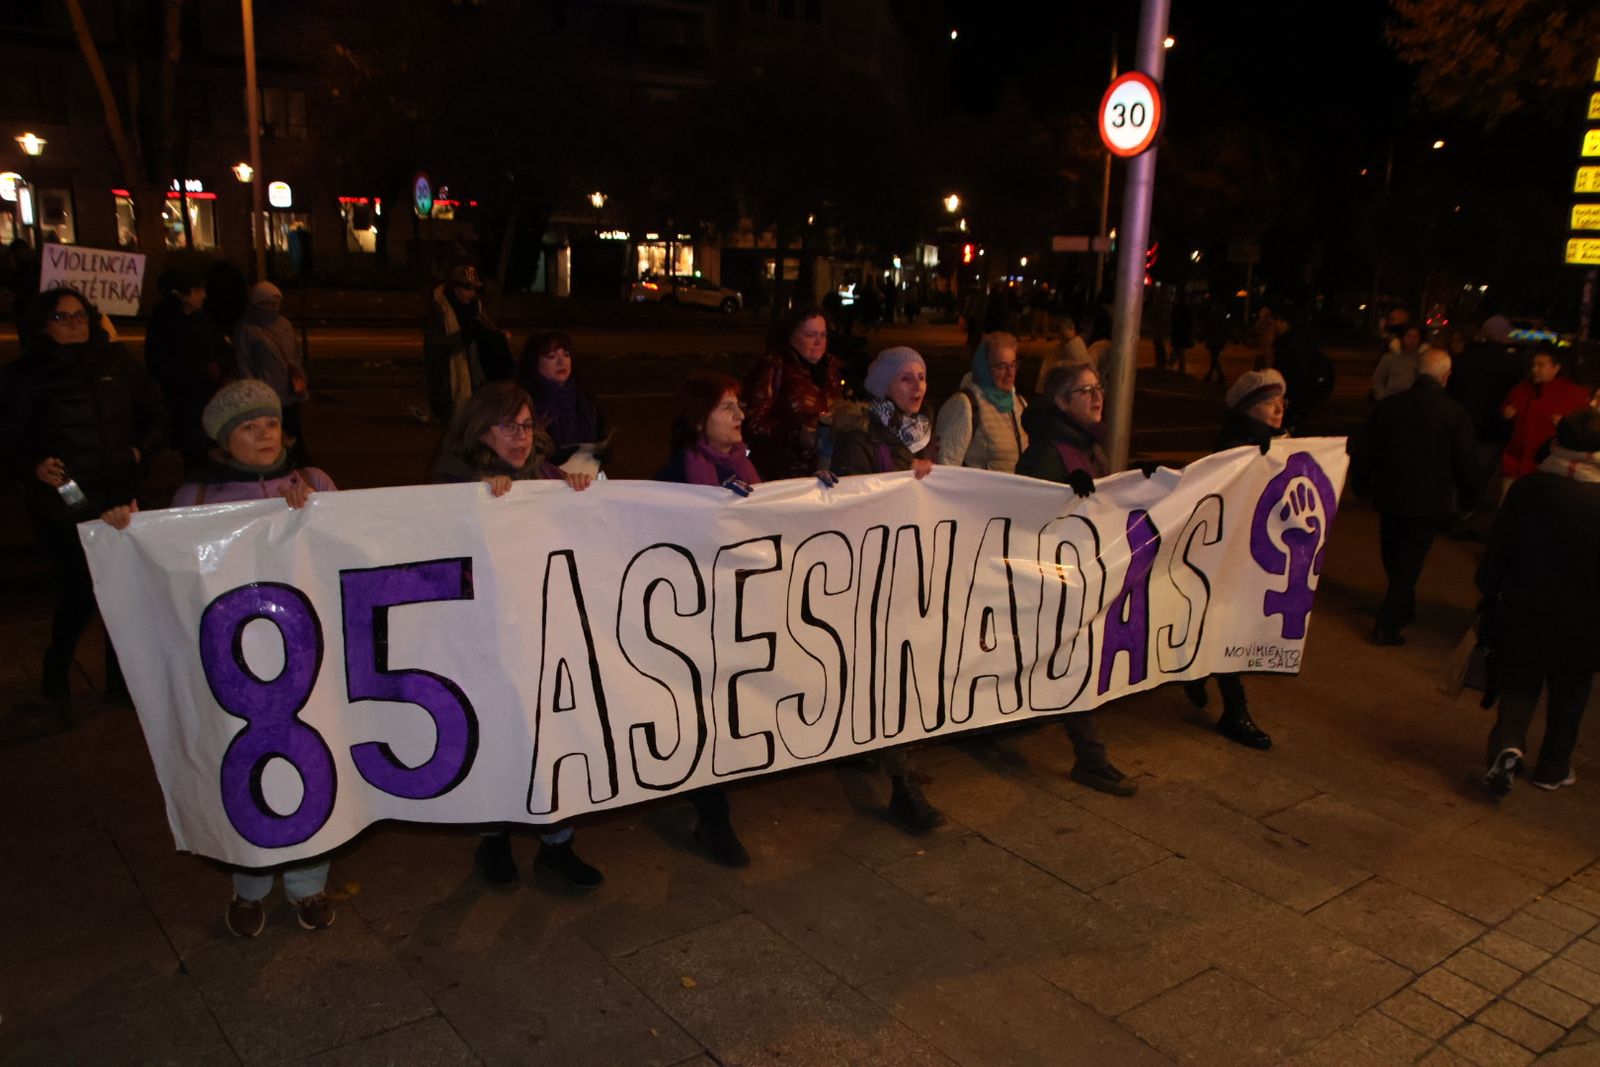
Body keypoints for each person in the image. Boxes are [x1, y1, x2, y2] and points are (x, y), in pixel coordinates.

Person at [100, 379, 336, 936]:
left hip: (306, 656)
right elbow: (172, 573)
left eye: (271, 423)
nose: (264, 435)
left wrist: (317, 512)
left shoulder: (317, 482)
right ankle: (249, 883)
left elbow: (345, 553)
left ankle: (309, 883)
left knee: (312, 763)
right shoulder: (195, 500)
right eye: (248, 428)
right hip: (234, 664)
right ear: (224, 442)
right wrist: (127, 532)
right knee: (246, 768)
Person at [655, 372, 841, 865]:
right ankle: (713, 820)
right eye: (728, 409)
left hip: (742, 613)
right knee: (706, 713)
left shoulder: (742, 462)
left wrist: (813, 496)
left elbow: (767, 516)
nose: (740, 417)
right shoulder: (680, 473)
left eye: (739, 406)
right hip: (701, 619)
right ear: (699, 420)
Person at [426, 381, 602, 889]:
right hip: (481, 639)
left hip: (541, 633)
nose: (520, 436)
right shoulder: (452, 482)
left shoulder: (545, 477)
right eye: (507, 426)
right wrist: (484, 503)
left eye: (526, 425)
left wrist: (575, 494)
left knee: (551, 732)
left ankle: (557, 844)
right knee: (496, 736)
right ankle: (493, 839)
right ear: (480, 430)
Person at [0, 288, 166, 716]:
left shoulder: (117, 363)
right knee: (80, 592)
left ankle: (119, 681)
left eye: (80, 316)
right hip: (65, 504)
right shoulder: (26, 374)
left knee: (124, 592)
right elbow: (6, 438)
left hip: (118, 495)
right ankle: (56, 671)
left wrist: (139, 450)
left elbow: (157, 412)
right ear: (43, 324)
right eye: (62, 317)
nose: (75, 324)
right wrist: (32, 466)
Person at [829, 347, 945, 831]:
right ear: (882, 387)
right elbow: (853, 508)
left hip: (913, 572)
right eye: (903, 379)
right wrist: (904, 483)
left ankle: (869, 745)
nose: (916, 387)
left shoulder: (921, 436)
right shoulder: (860, 440)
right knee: (892, 675)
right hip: (873, 581)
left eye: (920, 377)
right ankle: (904, 785)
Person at [1015, 362, 1140, 790]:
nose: (1097, 396)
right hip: (1054, 584)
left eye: (1098, 387)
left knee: (1062, 662)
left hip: (1080, 577)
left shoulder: (1085, 446)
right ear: (1063, 403)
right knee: (1072, 662)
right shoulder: (1049, 453)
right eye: (1085, 390)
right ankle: (1090, 757)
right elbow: (1024, 519)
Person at [1479, 409, 1600, 795]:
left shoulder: (1529, 489)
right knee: (1571, 692)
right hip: (1585, 619)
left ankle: (1509, 745)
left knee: (1519, 683)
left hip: (1524, 607)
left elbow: (1498, 548)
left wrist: (1488, 587)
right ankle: (1553, 767)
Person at [1180, 370, 1288, 750]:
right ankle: (1235, 710)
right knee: (1229, 628)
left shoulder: (1278, 447)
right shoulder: (1234, 451)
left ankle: (1192, 669)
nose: (1278, 409)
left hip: (1254, 558)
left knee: (1222, 626)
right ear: (1247, 408)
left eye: (1281, 401)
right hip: (1228, 557)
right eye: (1268, 402)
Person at [1355, 348, 1480, 646]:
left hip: (1391, 495)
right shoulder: (1455, 414)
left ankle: (1399, 608)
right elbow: (1466, 462)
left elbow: (1365, 449)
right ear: (1446, 377)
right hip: (1429, 501)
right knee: (1409, 560)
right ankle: (1389, 622)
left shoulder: (1390, 407)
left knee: (1395, 555)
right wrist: (1468, 499)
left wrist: (1363, 486)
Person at [742, 305, 845, 479]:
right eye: (810, 335)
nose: (819, 342)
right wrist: (797, 433)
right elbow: (753, 424)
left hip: (824, 473)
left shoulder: (831, 371)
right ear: (791, 336)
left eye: (823, 335)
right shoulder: (773, 368)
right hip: (783, 474)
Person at [145, 268, 230, 474]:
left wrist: (219, 366)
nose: (203, 295)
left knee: (212, 445)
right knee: (193, 449)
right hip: (183, 398)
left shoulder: (203, 319)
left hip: (208, 395)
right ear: (183, 294)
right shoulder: (165, 322)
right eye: (198, 290)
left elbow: (223, 349)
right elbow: (158, 361)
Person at [422, 264, 513, 424]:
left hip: (475, 372)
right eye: (468, 288)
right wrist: (466, 336)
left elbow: (486, 328)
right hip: (447, 378)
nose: (472, 294)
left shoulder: (475, 306)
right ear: (456, 288)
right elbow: (436, 347)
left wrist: (498, 336)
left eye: (475, 289)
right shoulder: (440, 309)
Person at [512, 331, 611, 475]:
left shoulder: (583, 396)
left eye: (566, 354)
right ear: (534, 362)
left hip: (587, 477)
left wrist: (603, 452)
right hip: (545, 481)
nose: (561, 362)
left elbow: (600, 434)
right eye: (551, 356)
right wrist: (554, 456)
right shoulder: (524, 403)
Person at [234, 281, 310, 465]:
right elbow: (243, 362)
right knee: (271, 431)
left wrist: (299, 377)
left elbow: (294, 353)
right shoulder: (246, 328)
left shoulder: (284, 324)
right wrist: (254, 390)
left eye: (276, 302)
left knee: (292, 430)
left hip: (288, 388)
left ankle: (295, 463)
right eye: (268, 303)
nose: (273, 308)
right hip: (266, 391)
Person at [1498, 344, 1590, 491]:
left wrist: (1567, 424)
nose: (1534, 369)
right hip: (1514, 464)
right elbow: (1506, 405)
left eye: (1540, 365)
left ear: (1556, 368)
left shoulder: (1575, 395)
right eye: (1533, 365)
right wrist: (1506, 411)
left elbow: (1585, 432)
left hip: (1548, 469)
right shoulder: (1522, 389)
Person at [935, 332, 1028, 471]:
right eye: (1001, 366)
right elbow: (947, 464)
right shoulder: (965, 405)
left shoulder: (1020, 403)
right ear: (984, 367)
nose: (1010, 373)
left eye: (1013, 364)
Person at [1034, 318, 1090, 395]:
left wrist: (1070, 339)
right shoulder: (1058, 348)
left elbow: (1082, 364)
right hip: (1053, 393)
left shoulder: (1076, 347)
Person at [1370, 325, 1423, 401]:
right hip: (1391, 399)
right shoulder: (1390, 357)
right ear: (1403, 337)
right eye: (1409, 335)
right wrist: (1382, 398)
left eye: (1415, 337)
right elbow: (1378, 379)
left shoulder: (1421, 358)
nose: (1412, 340)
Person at [1202, 299, 1230, 384]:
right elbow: (1228, 330)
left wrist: (1200, 337)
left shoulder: (1211, 319)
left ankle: (1218, 376)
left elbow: (1206, 329)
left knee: (1214, 359)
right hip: (1220, 342)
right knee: (1214, 359)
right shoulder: (1223, 320)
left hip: (1213, 341)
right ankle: (1210, 376)